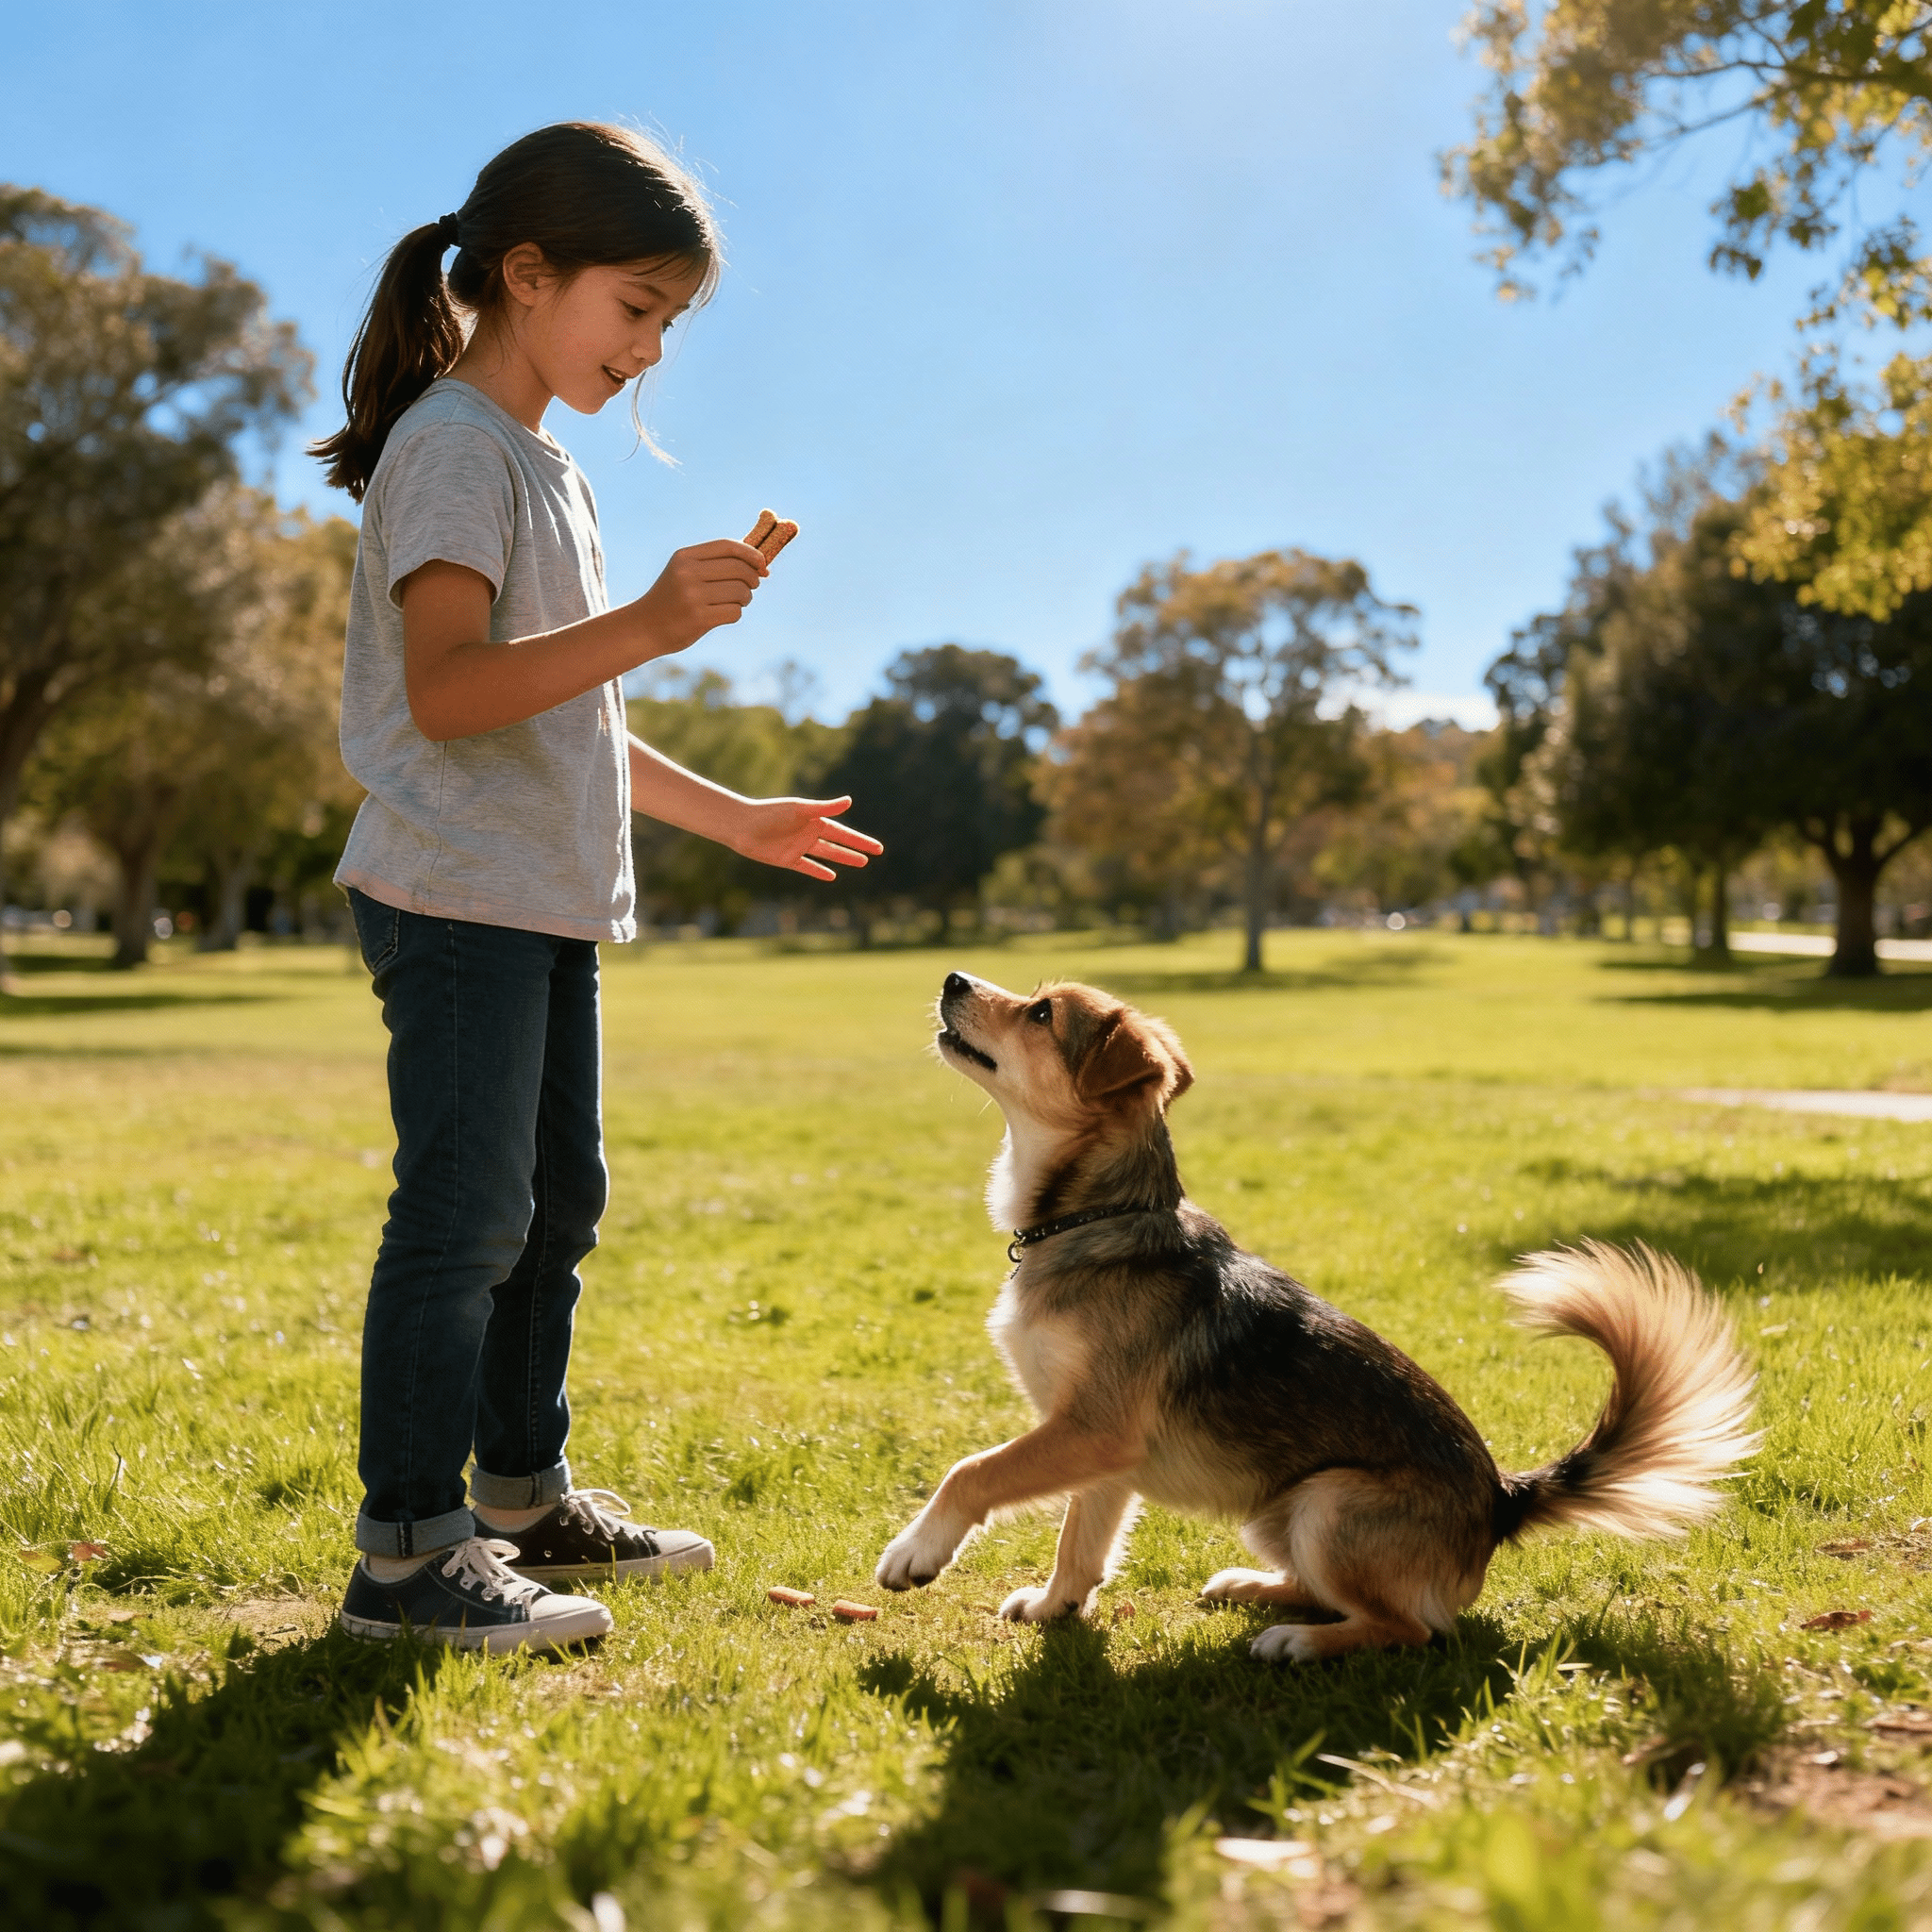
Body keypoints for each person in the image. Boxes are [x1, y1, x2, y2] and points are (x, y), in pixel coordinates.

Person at [311, 122, 881, 1652]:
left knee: (555, 1207)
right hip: (454, 898)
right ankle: (409, 1559)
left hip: (542, 899)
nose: (648, 349)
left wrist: (731, 818)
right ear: (526, 273)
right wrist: (645, 622)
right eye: (636, 308)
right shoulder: (449, 450)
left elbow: (565, 711)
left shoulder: (543, 463)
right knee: (466, 1216)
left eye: (668, 325)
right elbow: (449, 693)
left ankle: (515, 1500)